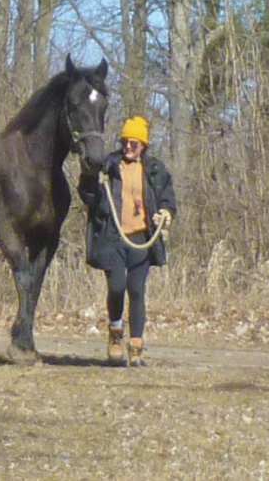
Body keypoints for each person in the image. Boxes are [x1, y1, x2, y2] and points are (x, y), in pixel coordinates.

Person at [78, 115, 177, 366]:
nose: (129, 146)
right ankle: (114, 333)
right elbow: (87, 196)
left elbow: (167, 196)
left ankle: (136, 344)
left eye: (135, 143)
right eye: (126, 141)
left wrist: (165, 212)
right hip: (113, 236)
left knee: (136, 289)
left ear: (144, 145)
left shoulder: (155, 169)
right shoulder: (108, 165)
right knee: (117, 287)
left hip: (141, 237)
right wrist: (90, 177)